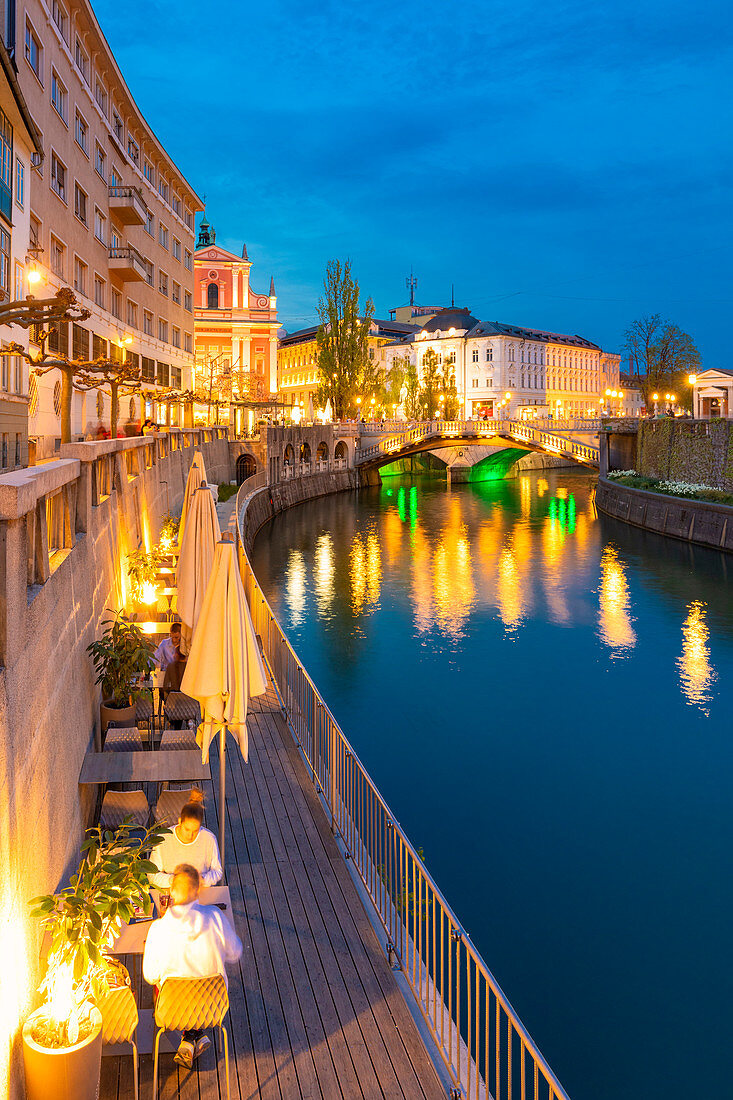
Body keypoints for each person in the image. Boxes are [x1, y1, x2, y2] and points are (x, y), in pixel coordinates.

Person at [143, 863, 242, 1069]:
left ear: (171, 890)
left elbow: (150, 975)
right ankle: (195, 1034)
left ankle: (189, 1036)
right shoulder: (215, 917)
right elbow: (235, 953)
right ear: (198, 890)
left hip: (173, 1010)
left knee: (160, 986)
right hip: (213, 1007)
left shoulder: (158, 929)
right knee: (200, 986)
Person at [150, 791, 222, 890]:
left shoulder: (209, 838)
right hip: (171, 891)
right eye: (187, 829)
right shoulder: (164, 838)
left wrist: (202, 880)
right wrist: (173, 880)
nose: (190, 835)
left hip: (199, 891)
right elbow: (152, 874)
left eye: (195, 830)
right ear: (180, 821)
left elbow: (217, 871)